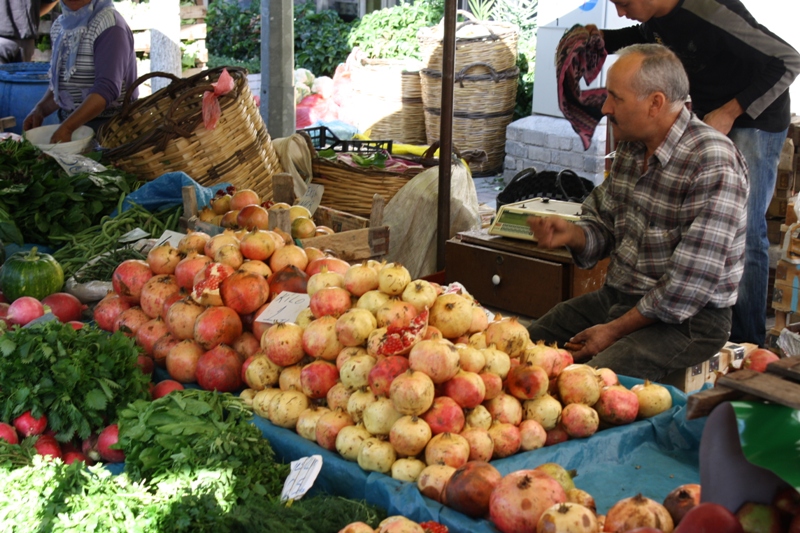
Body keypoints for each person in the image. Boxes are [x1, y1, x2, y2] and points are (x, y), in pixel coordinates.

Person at [526, 44, 748, 381]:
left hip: (689, 321)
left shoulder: (712, 161)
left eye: (616, 98)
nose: (606, 107)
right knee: (525, 346)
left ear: (655, 103)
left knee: (583, 385)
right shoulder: (632, 148)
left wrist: (612, 331)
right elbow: (605, 223)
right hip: (620, 299)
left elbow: (688, 286)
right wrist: (573, 234)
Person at [588, 0, 800, 347]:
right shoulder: (661, 16)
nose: (621, 12)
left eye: (623, 3)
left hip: (753, 120)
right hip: (710, 114)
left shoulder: (711, 10)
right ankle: (684, 315)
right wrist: (602, 39)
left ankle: (747, 343)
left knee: (744, 231)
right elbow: (649, 38)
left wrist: (730, 112)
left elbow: (788, 60)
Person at [22, 0, 137, 143]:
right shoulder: (60, 26)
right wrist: (40, 110)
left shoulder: (110, 25)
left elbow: (106, 89)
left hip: (110, 132)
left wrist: (67, 128)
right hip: (73, 129)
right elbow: (64, 86)